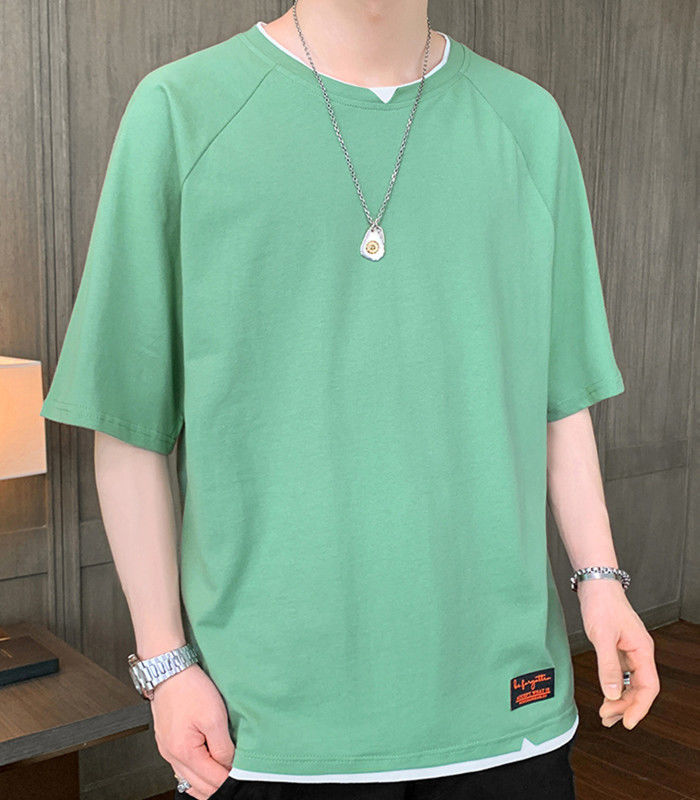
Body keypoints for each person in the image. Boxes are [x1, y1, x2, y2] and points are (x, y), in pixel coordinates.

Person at [40, 1, 660, 798]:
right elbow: (129, 419)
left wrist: (601, 582)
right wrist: (165, 662)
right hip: (267, 723)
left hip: (506, 708)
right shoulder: (180, 111)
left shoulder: (527, 121)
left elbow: (558, 396)